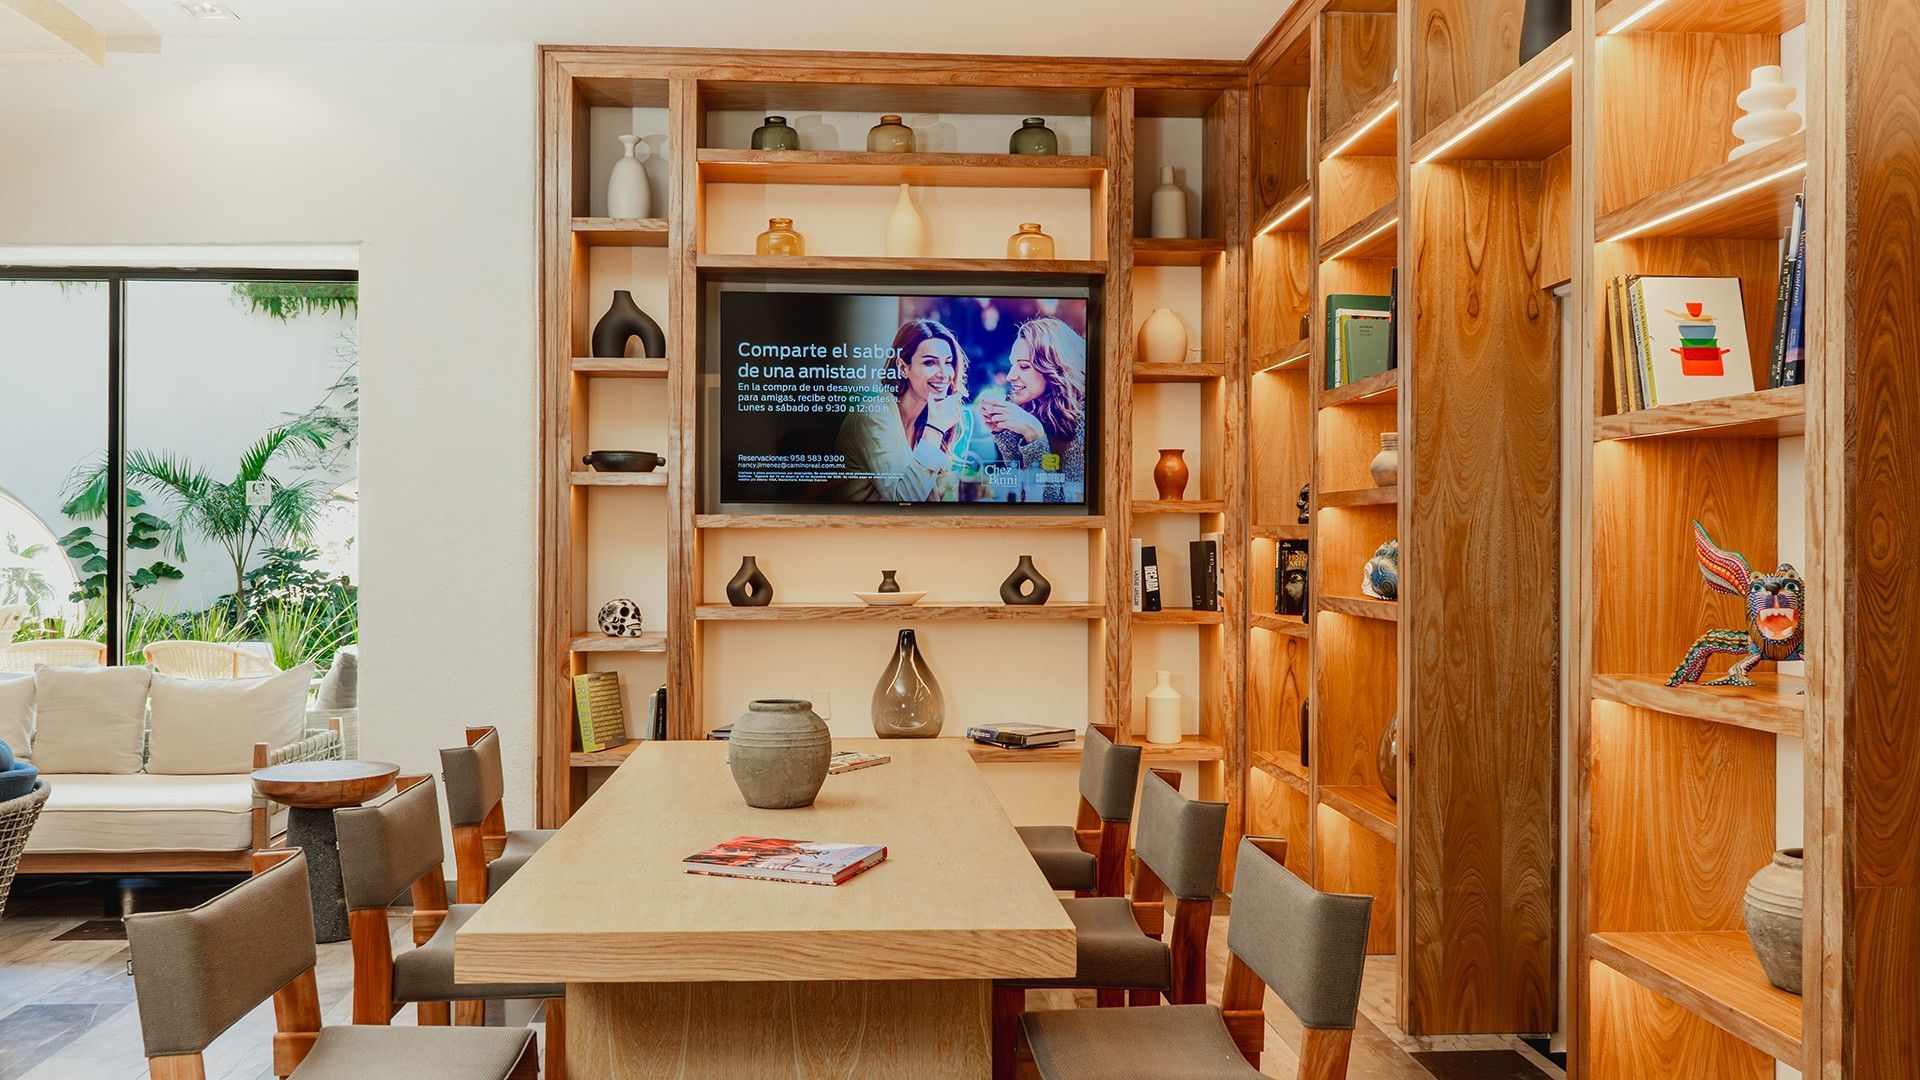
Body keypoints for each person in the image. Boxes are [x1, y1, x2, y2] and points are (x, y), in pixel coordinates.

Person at [832, 318, 969, 502]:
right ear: (904, 368)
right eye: (930, 363)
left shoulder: (928, 418)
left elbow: (935, 499)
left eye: (948, 362)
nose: (944, 374)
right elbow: (904, 501)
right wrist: (935, 429)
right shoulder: (873, 418)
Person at [979, 315, 1087, 503]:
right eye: (1013, 365)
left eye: (1023, 366)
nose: (1010, 376)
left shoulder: (1084, 421)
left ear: (1054, 369)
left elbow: (1054, 505)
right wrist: (1004, 431)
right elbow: (1021, 494)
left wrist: (1035, 435)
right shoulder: (1033, 408)